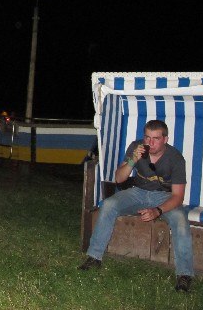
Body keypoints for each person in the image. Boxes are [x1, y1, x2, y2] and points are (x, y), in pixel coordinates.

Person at [78, 119, 194, 292]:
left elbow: (178, 196)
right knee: (109, 205)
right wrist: (133, 160)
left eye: (156, 139)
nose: (150, 143)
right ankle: (94, 257)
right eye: (147, 137)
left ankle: (184, 274)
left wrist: (158, 210)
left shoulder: (175, 158)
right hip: (138, 192)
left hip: (165, 196)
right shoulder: (136, 147)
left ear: (165, 139)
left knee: (180, 219)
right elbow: (119, 179)